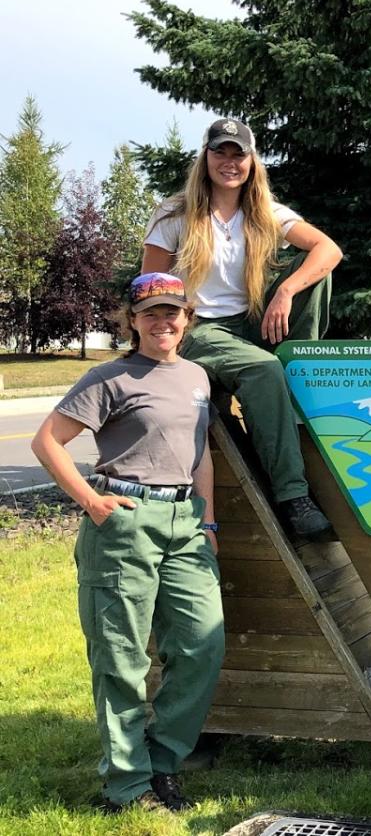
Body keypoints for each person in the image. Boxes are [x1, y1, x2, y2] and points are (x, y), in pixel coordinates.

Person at [30, 273, 225, 813]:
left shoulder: (196, 377)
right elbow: (47, 441)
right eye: (151, 313)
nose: (163, 322)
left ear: (187, 319)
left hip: (185, 524)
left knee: (201, 646)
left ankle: (163, 764)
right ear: (133, 320)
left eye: (173, 313)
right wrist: (91, 502)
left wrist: (206, 519)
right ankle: (127, 785)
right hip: (124, 520)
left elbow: (200, 449)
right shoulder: (108, 378)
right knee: (120, 657)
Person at [142, 118, 342, 540]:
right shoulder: (176, 213)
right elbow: (150, 288)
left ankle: (300, 378)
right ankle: (293, 497)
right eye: (221, 152)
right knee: (264, 369)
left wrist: (286, 290)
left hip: (249, 320)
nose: (229, 162)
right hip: (196, 328)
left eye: (239, 153)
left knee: (315, 274)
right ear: (206, 157)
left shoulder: (264, 211)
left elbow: (329, 249)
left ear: (252, 162)